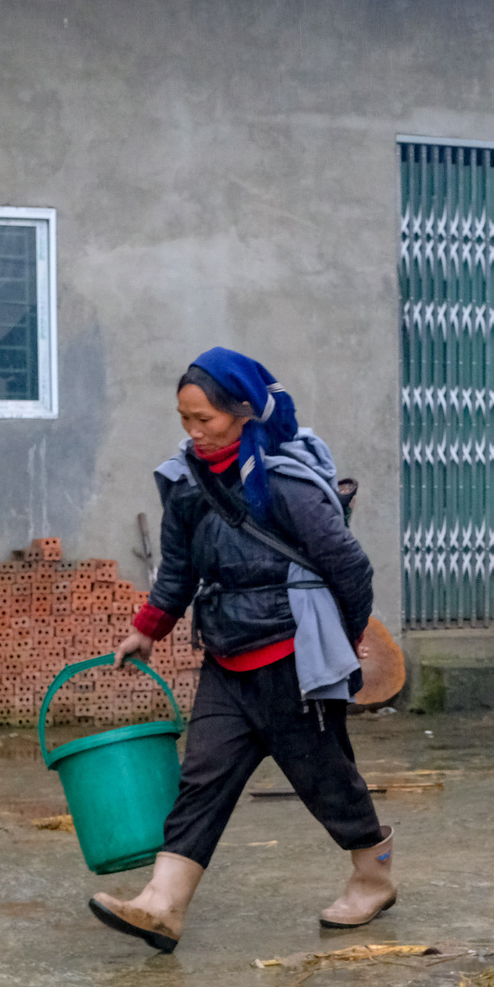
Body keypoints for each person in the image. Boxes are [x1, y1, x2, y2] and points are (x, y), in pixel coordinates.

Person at [88, 348, 393, 953]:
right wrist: (147, 627)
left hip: (293, 660)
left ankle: (374, 876)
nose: (195, 433)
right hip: (227, 658)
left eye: (207, 420)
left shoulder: (285, 482)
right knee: (201, 779)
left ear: (245, 412)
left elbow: (350, 567)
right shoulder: (186, 484)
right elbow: (177, 568)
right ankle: (163, 903)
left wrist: (345, 634)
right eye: (185, 419)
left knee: (325, 778)